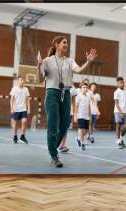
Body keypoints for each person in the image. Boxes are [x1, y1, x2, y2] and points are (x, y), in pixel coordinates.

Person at [37, 36, 98, 168]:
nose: (66, 44)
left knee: (65, 125)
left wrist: (89, 62)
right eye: (64, 42)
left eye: (67, 43)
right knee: (53, 124)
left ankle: (54, 147)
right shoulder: (47, 60)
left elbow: (80, 69)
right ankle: (53, 155)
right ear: (57, 44)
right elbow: (40, 79)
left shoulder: (70, 61)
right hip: (52, 93)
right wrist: (39, 66)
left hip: (65, 93)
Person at [10, 76, 31, 144]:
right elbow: (12, 99)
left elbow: (27, 100)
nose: (23, 81)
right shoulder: (14, 89)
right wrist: (12, 108)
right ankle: (15, 136)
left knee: (24, 121)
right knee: (15, 124)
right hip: (16, 109)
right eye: (21, 80)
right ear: (18, 81)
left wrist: (28, 108)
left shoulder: (26, 89)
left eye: (23, 80)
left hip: (23, 109)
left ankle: (22, 136)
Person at [57, 86, 77, 153]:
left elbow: (74, 102)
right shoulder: (59, 85)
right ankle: (56, 145)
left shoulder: (73, 89)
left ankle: (63, 145)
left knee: (65, 129)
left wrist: (74, 113)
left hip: (69, 112)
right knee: (58, 128)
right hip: (59, 111)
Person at [114, 77, 126, 149]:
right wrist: (120, 112)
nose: (122, 84)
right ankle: (118, 141)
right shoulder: (116, 92)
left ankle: (120, 137)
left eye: (123, 82)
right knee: (118, 125)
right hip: (118, 111)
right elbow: (116, 103)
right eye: (120, 83)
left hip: (125, 111)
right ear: (117, 84)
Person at [74, 82, 91, 151]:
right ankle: (83, 143)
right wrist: (75, 116)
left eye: (86, 87)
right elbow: (76, 107)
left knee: (86, 131)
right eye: (83, 87)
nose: (85, 88)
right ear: (81, 89)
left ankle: (78, 138)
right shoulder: (78, 97)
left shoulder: (88, 97)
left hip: (86, 116)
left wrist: (89, 116)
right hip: (80, 115)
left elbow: (89, 107)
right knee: (81, 129)